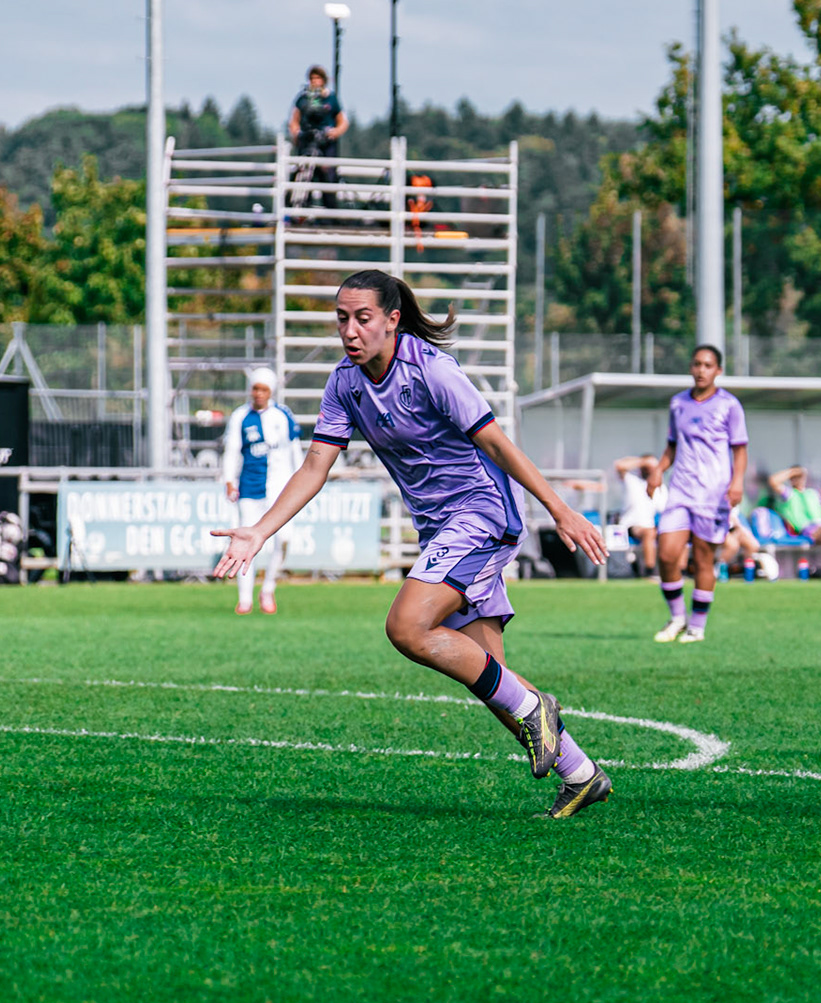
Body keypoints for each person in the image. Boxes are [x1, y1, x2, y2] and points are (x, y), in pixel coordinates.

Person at [210, 270, 613, 819]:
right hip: (440, 528)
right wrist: (259, 529)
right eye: (341, 319)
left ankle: (541, 708)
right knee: (490, 673)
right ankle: (581, 773)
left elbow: (495, 440)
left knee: (406, 626)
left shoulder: (431, 369)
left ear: (392, 320)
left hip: (481, 513)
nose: (350, 331)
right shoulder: (344, 384)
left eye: (363, 318)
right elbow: (314, 466)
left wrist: (560, 509)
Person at [649, 346, 748, 643]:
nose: (701, 370)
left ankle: (696, 626)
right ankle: (677, 617)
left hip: (713, 494)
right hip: (680, 490)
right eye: (697, 364)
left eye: (708, 365)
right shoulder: (678, 403)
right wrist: (658, 469)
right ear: (691, 368)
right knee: (666, 555)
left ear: (718, 370)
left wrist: (737, 482)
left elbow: (740, 449)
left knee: (704, 561)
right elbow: (672, 445)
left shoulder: (729, 405)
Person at [222, 367, 304, 614]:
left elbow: (295, 451)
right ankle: (245, 598)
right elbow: (232, 450)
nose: (258, 393)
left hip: (280, 490)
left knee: (285, 539)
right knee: (246, 543)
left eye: (263, 389)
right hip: (250, 489)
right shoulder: (240, 416)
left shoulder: (283, 415)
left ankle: (268, 588)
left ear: (271, 392)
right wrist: (228, 479)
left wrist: (300, 485)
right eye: (255, 388)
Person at [287, 66, 349, 202]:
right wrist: (297, 134)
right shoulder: (303, 98)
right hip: (307, 141)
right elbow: (294, 119)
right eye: (312, 78)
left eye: (318, 78)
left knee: (328, 177)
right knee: (303, 175)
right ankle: (301, 209)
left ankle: (329, 212)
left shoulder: (331, 98)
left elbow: (343, 121)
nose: (315, 82)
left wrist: (335, 132)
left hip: (326, 143)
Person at [612, 455, 664, 576]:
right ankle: (650, 572)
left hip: (651, 526)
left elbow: (664, 509)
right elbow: (619, 465)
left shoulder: (659, 487)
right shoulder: (631, 480)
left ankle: (680, 572)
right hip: (630, 526)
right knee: (649, 533)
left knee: (678, 532)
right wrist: (644, 461)